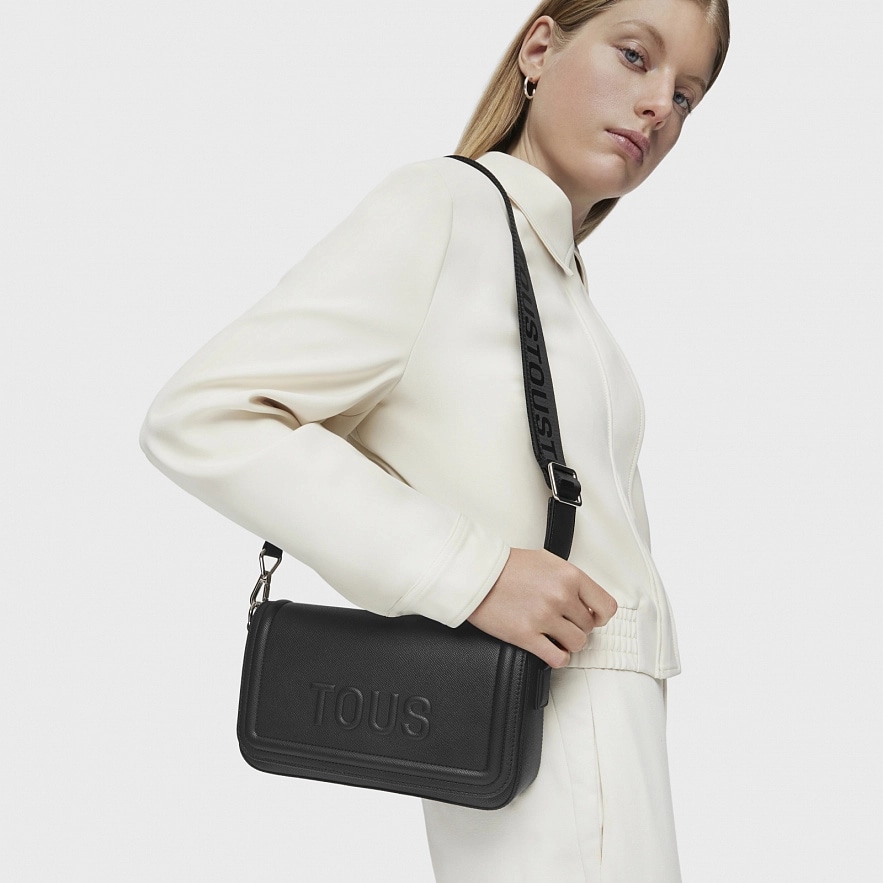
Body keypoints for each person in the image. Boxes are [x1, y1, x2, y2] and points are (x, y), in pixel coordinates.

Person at [141, 0, 730, 879]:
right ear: (539, 48)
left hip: (599, 746)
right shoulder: (447, 208)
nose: (658, 107)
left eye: (685, 95)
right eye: (635, 56)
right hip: (549, 744)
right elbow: (205, 414)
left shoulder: (553, 270)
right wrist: (472, 572)